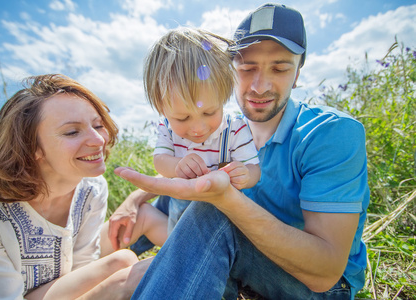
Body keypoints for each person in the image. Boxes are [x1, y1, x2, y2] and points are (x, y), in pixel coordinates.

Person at [113, 3, 370, 300]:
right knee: (163, 207)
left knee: (211, 208)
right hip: (250, 259)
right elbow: (182, 170)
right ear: (230, 73)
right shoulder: (224, 128)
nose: (259, 86)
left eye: (280, 68)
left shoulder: (329, 133)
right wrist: (134, 199)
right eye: (247, 68)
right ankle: (105, 258)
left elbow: (325, 273)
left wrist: (227, 201)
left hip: (322, 288)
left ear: (298, 73)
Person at [0, 74, 157, 300]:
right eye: (72, 132)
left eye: (97, 125)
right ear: (32, 147)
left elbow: (82, 266)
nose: (98, 139)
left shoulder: (92, 188)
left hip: (56, 289)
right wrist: (116, 287)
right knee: (128, 274)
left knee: (124, 261)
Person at [108, 28, 261, 251]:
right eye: (182, 117)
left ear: (224, 97)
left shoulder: (235, 129)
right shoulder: (167, 128)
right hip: (178, 207)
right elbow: (160, 160)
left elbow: (254, 169)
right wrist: (178, 165)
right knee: (178, 245)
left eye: (209, 113)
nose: (198, 128)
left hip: (223, 214)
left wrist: (245, 175)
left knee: (210, 249)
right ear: (162, 109)